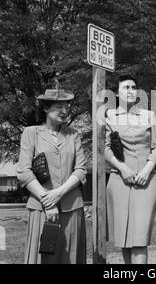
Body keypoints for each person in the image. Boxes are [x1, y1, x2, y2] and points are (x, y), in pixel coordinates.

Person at [17, 88, 87, 264]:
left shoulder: (73, 134)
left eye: (66, 107)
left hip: (71, 207)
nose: (64, 111)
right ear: (46, 109)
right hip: (41, 208)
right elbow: (24, 172)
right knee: (42, 257)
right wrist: (47, 201)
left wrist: (59, 193)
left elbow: (80, 170)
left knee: (70, 257)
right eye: (58, 106)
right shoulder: (31, 133)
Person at [104, 75, 156, 264]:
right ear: (116, 93)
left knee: (139, 239)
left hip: (146, 181)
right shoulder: (110, 117)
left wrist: (146, 171)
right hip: (119, 180)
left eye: (134, 87)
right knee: (124, 240)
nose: (130, 91)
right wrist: (122, 169)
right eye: (125, 87)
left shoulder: (148, 115)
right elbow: (105, 149)